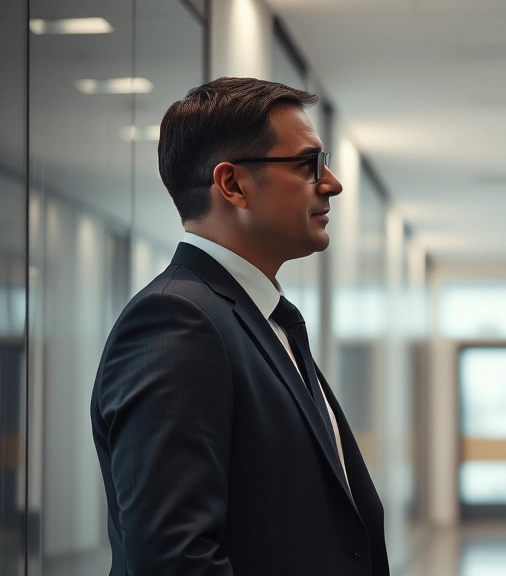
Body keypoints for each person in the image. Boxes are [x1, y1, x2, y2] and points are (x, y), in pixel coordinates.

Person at [91, 77, 388, 576]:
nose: (332, 183)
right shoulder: (176, 320)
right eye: (308, 164)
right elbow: (173, 560)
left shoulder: (257, 318)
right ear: (231, 184)